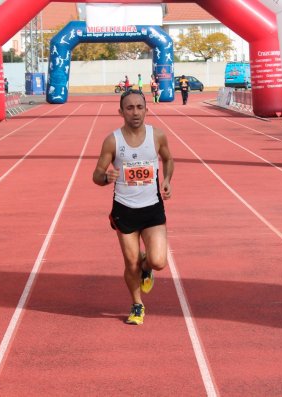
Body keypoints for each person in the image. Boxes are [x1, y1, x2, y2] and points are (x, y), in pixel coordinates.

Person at [92, 89, 174, 326]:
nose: (135, 112)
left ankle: (147, 268)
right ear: (121, 112)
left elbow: (168, 159)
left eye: (139, 107)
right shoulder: (113, 140)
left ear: (146, 109)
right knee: (131, 263)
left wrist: (167, 180)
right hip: (125, 209)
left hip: (152, 209)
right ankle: (137, 304)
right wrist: (106, 177)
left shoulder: (157, 136)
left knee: (158, 261)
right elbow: (96, 174)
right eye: (130, 108)